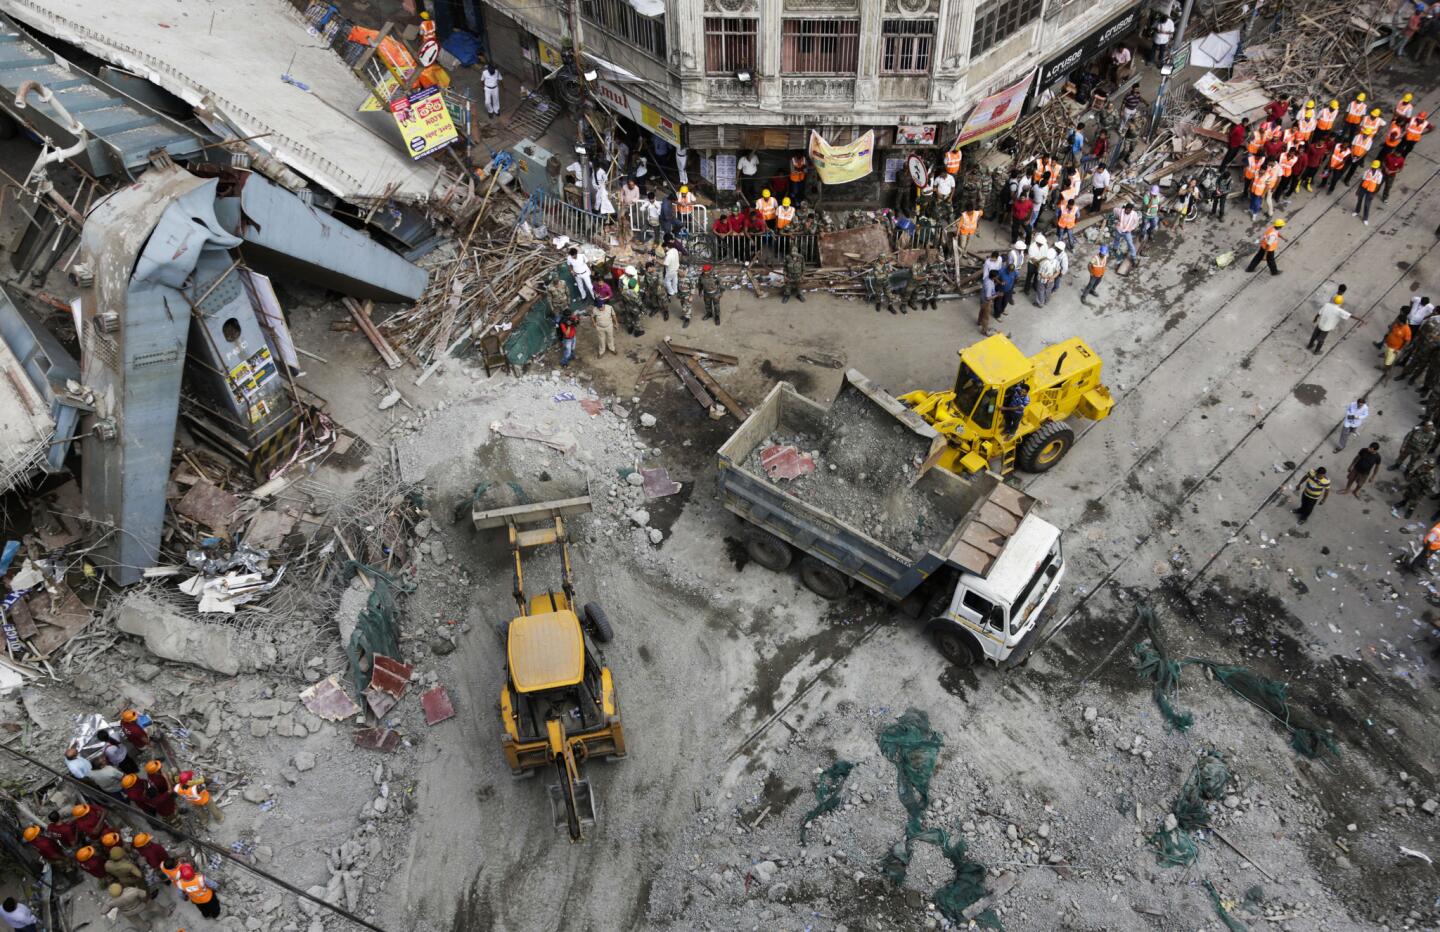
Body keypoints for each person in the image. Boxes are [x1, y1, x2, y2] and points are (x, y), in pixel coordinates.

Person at [1382, 312, 1412, 381]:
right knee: (1386, 358)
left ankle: (1386, 372)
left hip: (1394, 349)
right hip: (1389, 345)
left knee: (1388, 362)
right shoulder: (1397, 324)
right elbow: (1391, 330)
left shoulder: (1407, 330)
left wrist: (1399, 350)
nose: (1397, 322)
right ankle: (1383, 368)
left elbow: (1407, 341)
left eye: (1398, 321)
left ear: (1402, 322)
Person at [978, 270, 998, 335]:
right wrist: (997, 295)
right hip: (986, 302)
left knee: (982, 311)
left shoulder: (987, 278)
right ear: (994, 277)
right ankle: (985, 331)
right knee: (986, 317)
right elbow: (988, 297)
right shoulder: (989, 285)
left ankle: (979, 322)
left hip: (982, 299)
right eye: (996, 276)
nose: (997, 277)